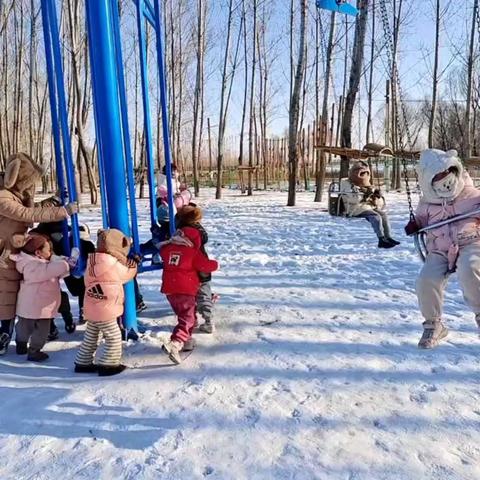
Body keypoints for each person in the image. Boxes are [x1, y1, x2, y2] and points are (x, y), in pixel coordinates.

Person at [0, 153, 77, 355]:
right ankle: (5, 332)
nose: (29, 187)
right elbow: (27, 214)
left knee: (27, 294)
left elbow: (32, 209)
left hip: (17, 252)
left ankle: (33, 329)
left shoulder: (15, 194)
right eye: (28, 181)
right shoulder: (3, 197)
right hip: (5, 256)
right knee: (7, 296)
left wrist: (54, 201)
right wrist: (63, 211)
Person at [407, 149, 480, 349]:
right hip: (439, 248)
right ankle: (433, 324)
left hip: (470, 241)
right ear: (429, 181)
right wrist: (414, 225)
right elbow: (421, 220)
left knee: (470, 268)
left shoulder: (471, 194)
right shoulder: (427, 202)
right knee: (426, 279)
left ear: (454, 170)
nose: (443, 179)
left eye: (446, 173)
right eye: (437, 177)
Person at [74, 228, 138, 376]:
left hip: (91, 307)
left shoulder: (92, 262)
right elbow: (127, 274)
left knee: (91, 337)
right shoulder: (113, 264)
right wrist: (133, 264)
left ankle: (82, 363)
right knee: (113, 336)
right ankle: (108, 365)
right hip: (106, 309)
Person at [160, 206, 218, 364]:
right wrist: (215, 264)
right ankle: (176, 342)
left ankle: (186, 341)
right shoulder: (193, 252)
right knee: (188, 318)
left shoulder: (168, 248)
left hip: (170, 290)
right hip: (186, 289)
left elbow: (162, 252)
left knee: (185, 316)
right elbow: (205, 265)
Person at [10, 234, 76, 362]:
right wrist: (67, 264)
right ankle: (34, 350)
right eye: (48, 250)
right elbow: (50, 270)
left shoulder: (30, 262)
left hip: (29, 305)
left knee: (24, 326)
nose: (51, 252)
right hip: (40, 307)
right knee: (41, 331)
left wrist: (68, 266)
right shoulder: (33, 266)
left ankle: (21, 343)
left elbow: (54, 271)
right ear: (38, 252)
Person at [32, 221, 95, 338]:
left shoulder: (50, 239)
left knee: (55, 301)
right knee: (59, 300)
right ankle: (63, 322)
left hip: (46, 279)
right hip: (50, 276)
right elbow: (56, 259)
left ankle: (56, 326)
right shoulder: (51, 240)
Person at [340, 160, 400, 248]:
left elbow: (379, 204)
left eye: (365, 173)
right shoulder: (346, 183)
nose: (364, 176)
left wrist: (377, 197)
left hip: (367, 206)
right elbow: (352, 198)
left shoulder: (367, 184)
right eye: (361, 173)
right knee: (375, 216)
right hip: (354, 208)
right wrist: (365, 195)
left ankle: (388, 237)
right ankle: (381, 239)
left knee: (383, 215)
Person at [176, 205, 216, 334]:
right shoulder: (200, 231)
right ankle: (209, 320)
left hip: (187, 269)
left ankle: (194, 319)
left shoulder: (182, 232)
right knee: (204, 295)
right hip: (202, 268)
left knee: (189, 297)